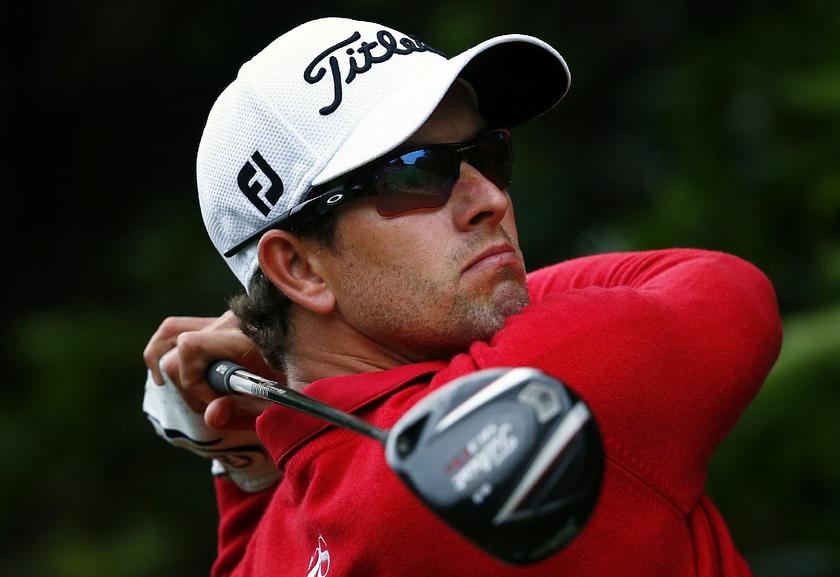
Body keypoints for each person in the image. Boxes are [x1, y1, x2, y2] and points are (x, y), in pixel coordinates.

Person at [143, 16, 783, 577]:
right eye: (418, 173)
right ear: (300, 269)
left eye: (489, 155)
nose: (491, 200)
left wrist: (246, 462)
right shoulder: (526, 394)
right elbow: (725, 288)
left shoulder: (291, 540)